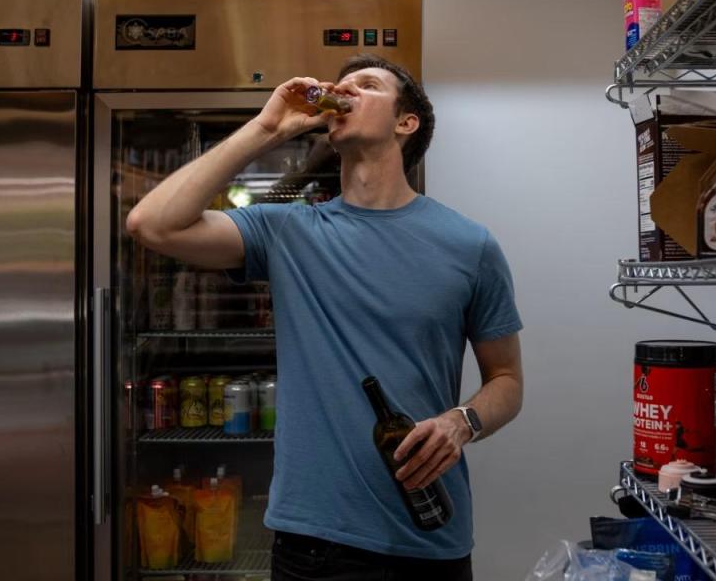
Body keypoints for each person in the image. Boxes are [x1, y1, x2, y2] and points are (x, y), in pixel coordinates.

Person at [126, 54, 524, 581]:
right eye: (343, 84)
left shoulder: (470, 245)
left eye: (368, 85)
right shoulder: (287, 231)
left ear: (406, 123)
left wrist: (462, 422)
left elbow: (507, 380)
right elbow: (151, 224)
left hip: (426, 537)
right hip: (313, 543)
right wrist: (267, 129)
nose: (346, 90)